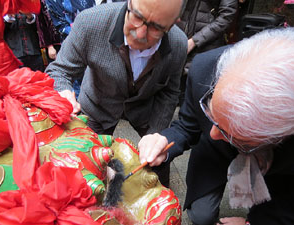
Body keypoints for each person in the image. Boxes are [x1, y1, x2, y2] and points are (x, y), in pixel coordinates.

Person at [138, 28, 294, 225]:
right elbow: (188, 127)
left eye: (235, 135)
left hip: (282, 172)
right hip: (215, 155)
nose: (212, 133)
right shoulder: (205, 68)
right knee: (201, 216)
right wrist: (164, 140)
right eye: (211, 114)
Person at [45, 0, 187, 186]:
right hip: (97, 104)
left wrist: (155, 136)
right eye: (137, 16)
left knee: (157, 160)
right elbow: (59, 71)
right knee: (88, 166)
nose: (140, 33)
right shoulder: (90, 22)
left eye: (156, 28)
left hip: (145, 108)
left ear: (173, 23)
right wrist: (63, 93)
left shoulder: (178, 43)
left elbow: (170, 92)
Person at [177, 0, 238, 105]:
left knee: (191, 100)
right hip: (179, 38)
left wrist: (194, 41)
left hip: (205, 46)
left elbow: (226, 16)